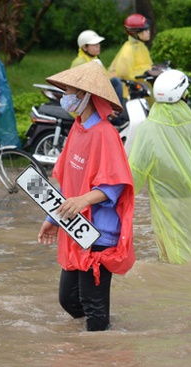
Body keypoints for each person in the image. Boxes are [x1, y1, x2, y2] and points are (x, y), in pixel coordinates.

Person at [37, 61, 135, 332]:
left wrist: (83, 200)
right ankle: (93, 347)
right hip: (76, 228)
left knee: (93, 308)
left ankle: (98, 362)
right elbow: (66, 181)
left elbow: (115, 185)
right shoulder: (77, 130)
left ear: (86, 96)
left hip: (99, 233)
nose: (64, 98)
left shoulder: (106, 134)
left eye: (69, 91)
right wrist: (52, 218)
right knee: (68, 300)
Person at [128, 70, 191, 264]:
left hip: (165, 204)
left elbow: (135, 173)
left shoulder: (148, 128)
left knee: (171, 256)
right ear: (184, 95)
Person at [108, 14, 153, 100]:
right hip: (130, 94)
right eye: (145, 30)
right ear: (135, 33)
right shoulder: (128, 50)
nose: (149, 32)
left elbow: (147, 64)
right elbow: (124, 74)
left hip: (142, 89)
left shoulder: (140, 46)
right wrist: (146, 72)